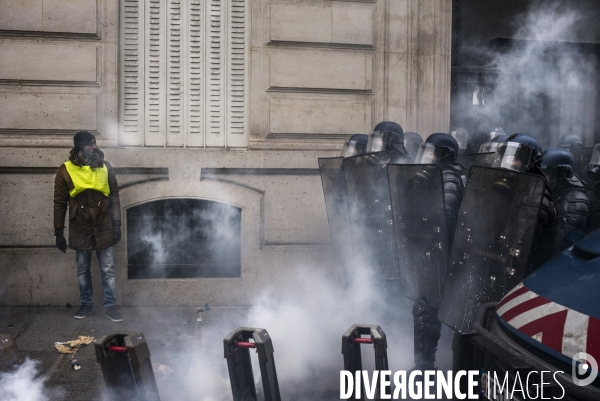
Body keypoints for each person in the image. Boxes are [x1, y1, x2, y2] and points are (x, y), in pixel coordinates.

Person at [53, 131, 123, 322]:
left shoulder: (106, 167)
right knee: (83, 268)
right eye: (90, 144)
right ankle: (86, 303)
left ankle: (110, 306)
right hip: (80, 226)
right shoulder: (65, 170)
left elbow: (115, 198)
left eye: (95, 143)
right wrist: (58, 232)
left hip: (104, 224)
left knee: (107, 268)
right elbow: (59, 202)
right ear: (79, 148)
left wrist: (117, 225)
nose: (94, 147)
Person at [411, 133, 465, 370]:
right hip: (439, 252)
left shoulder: (450, 178)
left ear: (444, 154)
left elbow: (445, 216)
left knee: (427, 308)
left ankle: (425, 368)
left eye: (432, 151)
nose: (427, 155)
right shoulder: (439, 174)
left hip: (444, 253)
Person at [493, 133, 557, 274]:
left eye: (515, 158)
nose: (508, 162)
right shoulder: (512, 186)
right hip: (508, 262)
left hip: (531, 271)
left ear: (531, 163)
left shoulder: (538, 194)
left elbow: (521, 240)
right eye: (506, 156)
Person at [541, 148, 590, 251]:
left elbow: (565, 241)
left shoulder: (577, 199)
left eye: (547, 172)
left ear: (561, 173)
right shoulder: (555, 192)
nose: (544, 176)